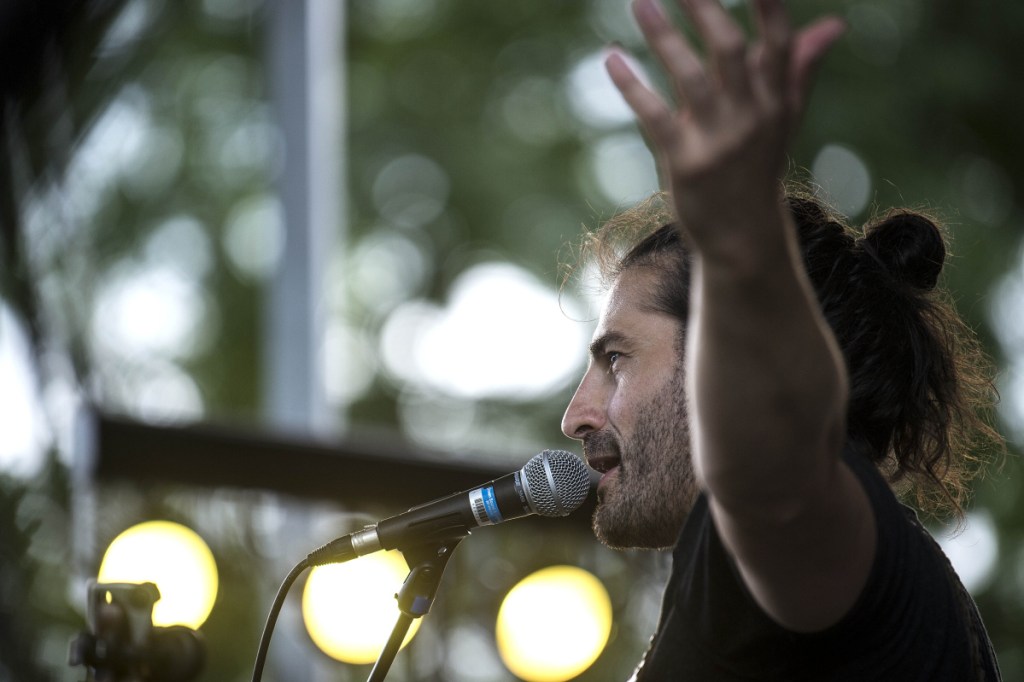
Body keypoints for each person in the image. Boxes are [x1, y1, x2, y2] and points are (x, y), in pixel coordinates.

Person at [559, 0, 1005, 679]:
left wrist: (740, 251)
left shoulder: (802, 519)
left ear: (728, 354)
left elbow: (778, 478)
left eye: (616, 359)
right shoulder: (737, 566)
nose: (576, 414)